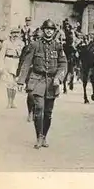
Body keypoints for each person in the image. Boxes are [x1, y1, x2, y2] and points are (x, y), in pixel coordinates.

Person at [17, 19, 67, 149]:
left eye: (51, 29)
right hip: (37, 79)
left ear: (54, 31)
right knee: (39, 108)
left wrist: (58, 78)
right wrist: (21, 81)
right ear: (43, 30)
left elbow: (63, 64)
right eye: (46, 29)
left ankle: (44, 136)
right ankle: (38, 136)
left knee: (48, 112)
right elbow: (26, 63)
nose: (49, 31)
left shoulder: (58, 46)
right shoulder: (35, 45)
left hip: (52, 82)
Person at [0, 29, 23, 108]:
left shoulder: (21, 43)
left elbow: (23, 55)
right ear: (11, 34)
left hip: (17, 62)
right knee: (9, 83)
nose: (15, 35)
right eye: (13, 33)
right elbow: (1, 55)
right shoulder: (6, 43)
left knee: (15, 84)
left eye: (16, 33)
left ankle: (13, 101)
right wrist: (1, 66)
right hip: (8, 62)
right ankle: (9, 102)